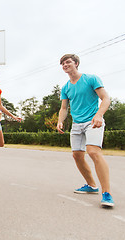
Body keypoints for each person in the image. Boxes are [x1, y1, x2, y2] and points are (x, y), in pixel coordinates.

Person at [56, 54, 114, 207]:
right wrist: (60, 121)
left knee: (93, 152)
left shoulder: (91, 79)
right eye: (62, 64)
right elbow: (64, 107)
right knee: (77, 156)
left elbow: (106, 98)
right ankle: (91, 185)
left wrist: (99, 115)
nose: (65, 65)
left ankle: (106, 193)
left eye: (67, 62)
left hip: (93, 121)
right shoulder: (66, 87)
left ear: (76, 63)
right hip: (77, 125)